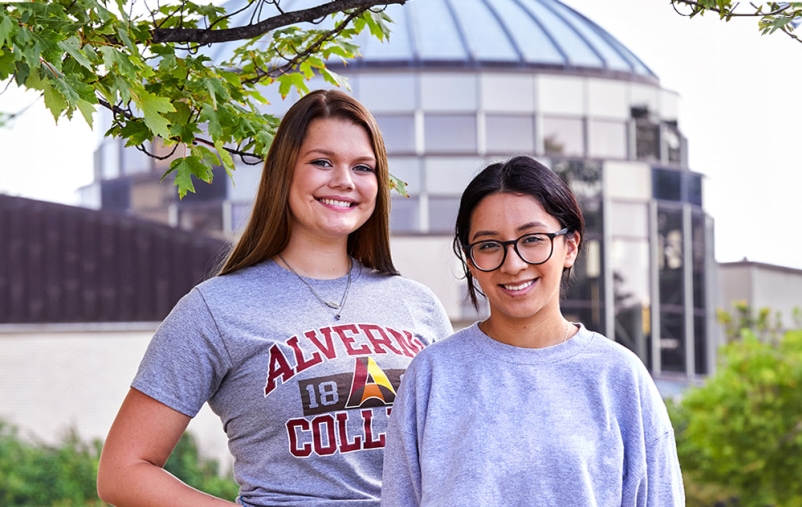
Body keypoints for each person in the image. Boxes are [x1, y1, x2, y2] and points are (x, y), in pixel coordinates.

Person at [97, 89, 453, 507]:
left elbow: (456, 453)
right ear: (284, 171)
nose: (344, 180)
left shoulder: (418, 305)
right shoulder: (216, 309)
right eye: (322, 162)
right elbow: (122, 471)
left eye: (363, 167)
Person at [381, 156, 684, 506]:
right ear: (470, 261)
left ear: (570, 246)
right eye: (489, 245)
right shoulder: (431, 376)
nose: (514, 264)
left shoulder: (619, 377)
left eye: (532, 239)